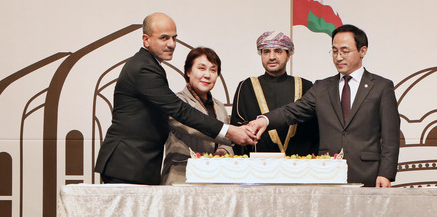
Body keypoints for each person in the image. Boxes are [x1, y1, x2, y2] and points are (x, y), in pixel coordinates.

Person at [94, 12, 255, 185]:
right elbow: (179, 110)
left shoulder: (150, 65)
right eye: (164, 38)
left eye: (174, 38)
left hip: (139, 164)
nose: (171, 44)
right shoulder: (144, 69)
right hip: (127, 163)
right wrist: (229, 132)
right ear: (146, 39)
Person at [249, 25, 400, 187]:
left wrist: (386, 173)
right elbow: (292, 111)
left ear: (362, 51)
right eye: (334, 51)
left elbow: (391, 136)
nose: (338, 57)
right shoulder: (322, 87)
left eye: (345, 51)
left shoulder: (381, 87)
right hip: (327, 173)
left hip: (368, 173)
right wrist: (265, 120)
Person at [231, 31, 318, 156]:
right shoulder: (246, 86)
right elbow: (237, 129)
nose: (272, 57)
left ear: (288, 55)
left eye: (278, 51)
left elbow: (314, 130)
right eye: (266, 51)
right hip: (257, 167)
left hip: (299, 166)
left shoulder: (305, 86)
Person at [161, 47, 233, 184]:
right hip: (182, 177)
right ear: (188, 71)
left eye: (213, 70)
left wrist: (223, 151)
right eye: (201, 68)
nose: (207, 75)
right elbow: (195, 128)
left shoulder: (219, 106)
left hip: (216, 178)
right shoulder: (177, 103)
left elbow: (228, 141)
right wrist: (231, 134)